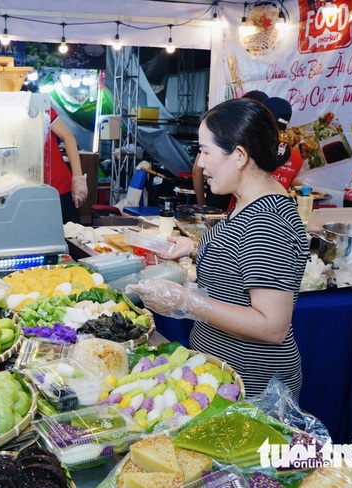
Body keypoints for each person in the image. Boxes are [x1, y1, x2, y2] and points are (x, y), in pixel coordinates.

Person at [127, 99, 309, 399]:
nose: (199, 163)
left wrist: (188, 301)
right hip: (221, 373)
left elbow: (272, 326)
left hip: (251, 387)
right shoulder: (249, 199)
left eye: (205, 151)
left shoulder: (268, 222)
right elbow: (243, 257)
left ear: (239, 155)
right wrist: (194, 249)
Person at [45, 106, 87, 224]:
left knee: (70, 236)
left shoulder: (40, 108)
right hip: (30, 191)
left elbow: (68, 137)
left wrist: (78, 179)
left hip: (60, 187)